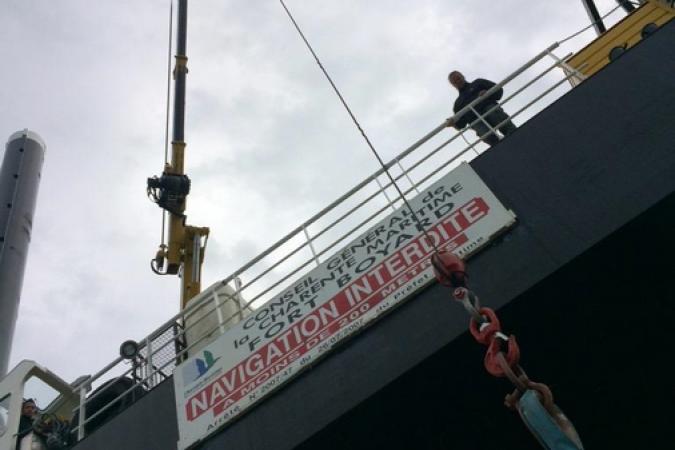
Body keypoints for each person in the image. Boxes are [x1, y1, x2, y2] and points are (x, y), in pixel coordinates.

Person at [445, 71, 517, 146]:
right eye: (455, 81)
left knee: (493, 113)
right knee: (483, 131)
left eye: (458, 78)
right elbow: (461, 124)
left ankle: (514, 134)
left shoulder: (478, 83)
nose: (458, 81)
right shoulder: (458, 104)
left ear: (463, 76)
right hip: (477, 122)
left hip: (491, 111)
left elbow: (499, 91)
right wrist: (453, 124)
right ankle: (498, 147)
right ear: (453, 85)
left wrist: (488, 92)